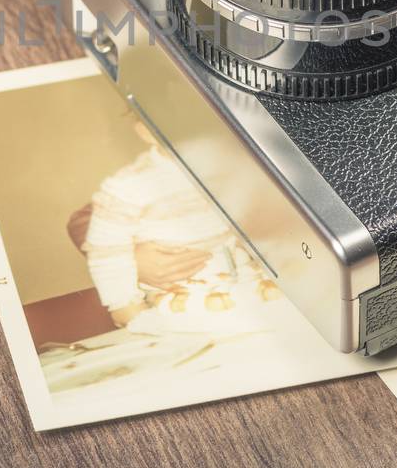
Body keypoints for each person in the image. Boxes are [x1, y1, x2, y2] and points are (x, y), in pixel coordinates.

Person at [67, 123, 279, 328]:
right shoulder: (128, 185)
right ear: (145, 131)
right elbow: (105, 247)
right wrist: (123, 303)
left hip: (244, 277)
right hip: (180, 291)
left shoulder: (234, 164)